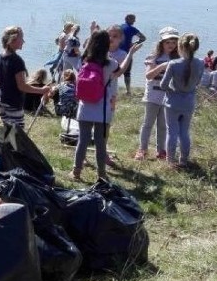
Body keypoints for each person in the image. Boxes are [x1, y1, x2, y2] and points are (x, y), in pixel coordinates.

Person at [70, 30, 141, 181]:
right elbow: (121, 71)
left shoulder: (83, 61)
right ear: (106, 45)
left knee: (82, 141)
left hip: (84, 107)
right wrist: (130, 53)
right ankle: (101, 174)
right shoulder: (110, 64)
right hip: (101, 110)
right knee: (100, 143)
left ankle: (76, 172)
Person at [133, 27, 179, 161]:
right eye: (167, 42)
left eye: (173, 42)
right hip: (152, 95)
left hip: (168, 97)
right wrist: (162, 66)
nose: (171, 45)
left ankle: (161, 150)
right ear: (161, 43)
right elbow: (148, 75)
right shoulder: (153, 57)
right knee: (148, 124)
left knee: (163, 125)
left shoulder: (177, 58)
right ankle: (142, 149)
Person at [159, 33, 204, 168]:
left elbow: (163, 85)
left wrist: (173, 90)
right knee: (184, 132)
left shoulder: (173, 64)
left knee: (171, 131)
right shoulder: (201, 63)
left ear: (180, 47)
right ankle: (183, 160)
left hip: (172, 102)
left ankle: (170, 161)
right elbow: (197, 82)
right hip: (189, 102)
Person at [0, 26, 53, 127]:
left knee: (8, 130)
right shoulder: (17, 61)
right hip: (12, 102)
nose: (23, 41)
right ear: (13, 39)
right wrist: (42, 90)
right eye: (21, 38)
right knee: (17, 134)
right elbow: (22, 86)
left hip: (0, 99)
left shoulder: (1, 56)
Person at [120, 13, 147, 95]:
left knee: (112, 70)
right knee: (127, 73)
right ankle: (128, 91)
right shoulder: (133, 29)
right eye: (133, 19)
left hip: (116, 51)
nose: (134, 21)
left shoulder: (119, 27)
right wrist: (134, 43)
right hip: (127, 53)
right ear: (128, 19)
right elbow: (143, 38)